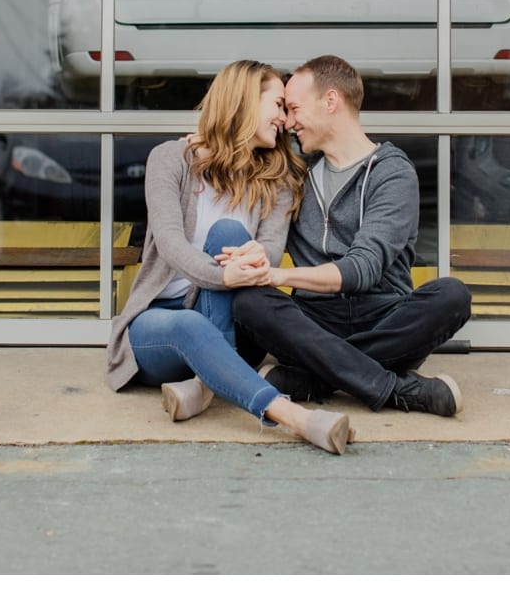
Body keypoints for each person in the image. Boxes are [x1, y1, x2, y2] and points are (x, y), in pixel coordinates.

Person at [106, 59, 354, 454]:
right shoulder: (170, 159)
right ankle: (293, 417)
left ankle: (206, 384)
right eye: (278, 105)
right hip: (162, 323)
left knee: (229, 234)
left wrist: (255, 259)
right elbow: (169, 242)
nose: (285, 120)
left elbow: (270, 250)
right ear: (242, 102)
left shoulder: (280, 178)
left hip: (231, 325)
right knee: (189, 323)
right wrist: (224, 277)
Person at [232, 55, 472, 416]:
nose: (288, 122)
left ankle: (313, 379)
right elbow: (230, 166)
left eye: (294, 108)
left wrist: (278, 275)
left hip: (383, 315)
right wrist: (204, 143)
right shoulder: (293, 176)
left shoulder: (392, 173)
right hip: (312, 321)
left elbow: (362, 270)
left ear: (331, 102)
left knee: (451, 295)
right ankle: (394, 388)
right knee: (249, 302)